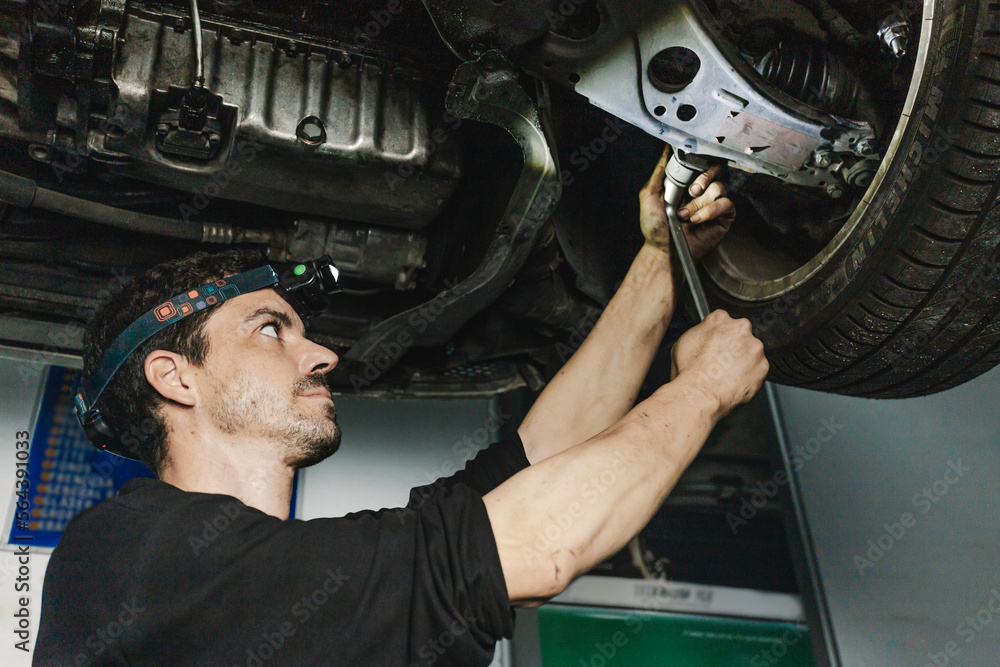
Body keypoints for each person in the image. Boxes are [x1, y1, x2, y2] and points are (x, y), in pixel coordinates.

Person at [33, 146, 767, 665]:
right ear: (175, 376)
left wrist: (659, 260)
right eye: (269, 328)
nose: (321, 354)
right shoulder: (120, 557)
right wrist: (700, 391)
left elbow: (536, 464)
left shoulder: (272, 582)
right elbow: (533, 547)